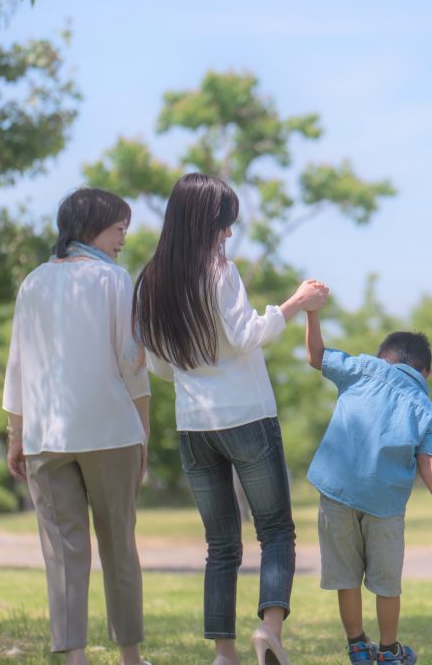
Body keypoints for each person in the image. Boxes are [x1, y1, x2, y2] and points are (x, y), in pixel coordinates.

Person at [133, 172, 327, 665]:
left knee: (220, 544)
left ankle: (224, 653)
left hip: (193, 424)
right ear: (208, 221)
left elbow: (154, 363)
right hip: (246, 417)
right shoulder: (220, 271)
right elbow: (244, 336)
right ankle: (269, 630)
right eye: (225, 223)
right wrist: (294, 305)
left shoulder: (150, 279)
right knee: (276, 531)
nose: (229, 233)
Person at [3, 188, 151, 665]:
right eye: (118, 228)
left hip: (46, 436)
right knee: (118, 547)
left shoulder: (33, 283)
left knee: (63, 554)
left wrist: (15, 434)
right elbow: (133, 364)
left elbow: (18, 365)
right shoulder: (114, 280)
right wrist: (143, 432)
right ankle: (129, 657)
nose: (123, 239)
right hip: (111, 433)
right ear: (89, 227)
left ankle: (74, 658)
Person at [304, 312, 432, 664]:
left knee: (346, 576)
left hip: (336, 490)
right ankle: (390, 651)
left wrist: (312, 312)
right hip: (386, 504)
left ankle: (357, 647)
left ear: (384, 358)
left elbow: (316, 356)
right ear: (425, 372)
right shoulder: (426, 409)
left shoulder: (362, 369)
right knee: (386, 583)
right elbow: (429, 465)